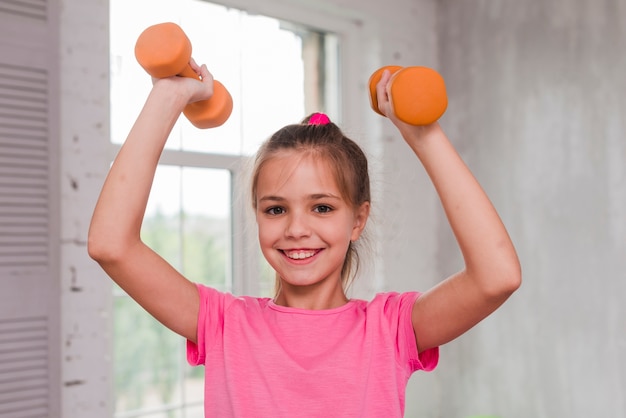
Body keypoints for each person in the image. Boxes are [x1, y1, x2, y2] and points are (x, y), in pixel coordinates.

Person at [88, 60, 521, 417]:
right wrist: (169, 96)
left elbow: (496, 276)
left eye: (322, 207)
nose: (296, 228)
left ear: (358, 220)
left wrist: (423, 134)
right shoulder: (224, 325)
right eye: (275, 209)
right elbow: (111, 244)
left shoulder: (389, 329)